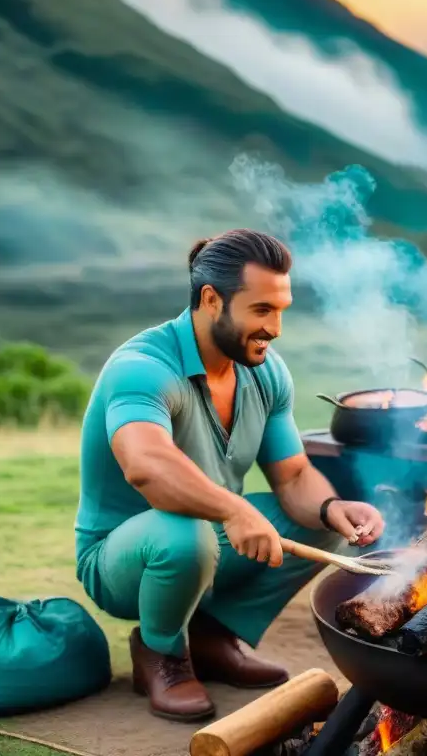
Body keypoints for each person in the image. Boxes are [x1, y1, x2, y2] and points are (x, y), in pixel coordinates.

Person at [74, 229, 385, 721]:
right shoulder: (142, 368)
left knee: (324, 527)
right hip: (121, 559)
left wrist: (332, 508)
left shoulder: (265, 370)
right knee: (186, 534)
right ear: (211, 299)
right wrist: (233, 508)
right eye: (261, 310)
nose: (276, 327)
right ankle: (161, 654)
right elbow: (146, 465)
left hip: (209, 538)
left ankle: (212, 636)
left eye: (282, 309)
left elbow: (293, 475)